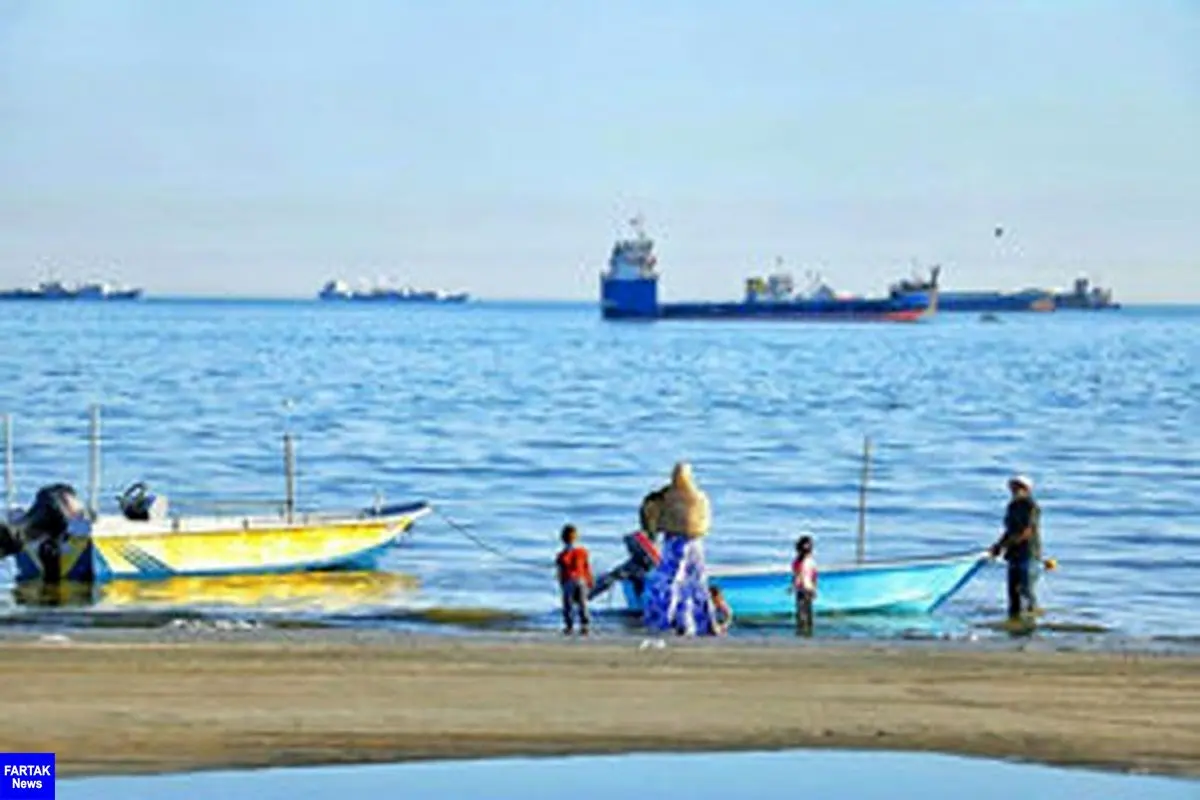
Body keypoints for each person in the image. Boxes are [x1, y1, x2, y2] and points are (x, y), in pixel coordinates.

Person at [641, 462, 716, 636]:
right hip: (694, 543)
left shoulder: (666, 497)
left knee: (671, 581)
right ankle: (696, 621)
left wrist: (653, 531)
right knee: (693, 583)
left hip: (674, 542)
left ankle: (667, 619)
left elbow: (650, 514)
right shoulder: (699, 497)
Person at [989, 475, 1042, 620]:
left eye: (1018, 487)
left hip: (1029, 554)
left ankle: (1031, 621)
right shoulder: (1012, 506)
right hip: (1013, 555)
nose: (1014, 490)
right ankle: (1014, 622)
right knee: (1013, 593)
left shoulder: (1031, 506)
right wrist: (998, 545)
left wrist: (1004, 545)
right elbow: (1009, 530)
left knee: (1026, 590)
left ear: (1027, 489)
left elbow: (1026, 531)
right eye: (1013, 487)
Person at [556, 524, 594, 635]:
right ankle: (584, 625)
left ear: (563, 538)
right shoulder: (582, 552)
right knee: (583, 603)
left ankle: (569, 625)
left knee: (568, 604)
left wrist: (561, 583)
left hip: (569, 580)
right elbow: (587, 567)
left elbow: (560, 571)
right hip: (581, 579)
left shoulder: (562, 555)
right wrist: (590, 580)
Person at [792, 535, 817, 637]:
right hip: (805, 588)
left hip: (805, 588)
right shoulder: (802, 561)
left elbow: (813, 575)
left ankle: (803, 628)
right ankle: (806, 629)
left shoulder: (806, 561)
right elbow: (799, 575)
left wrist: (814, 588)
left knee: (804, 610)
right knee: (805, 610)